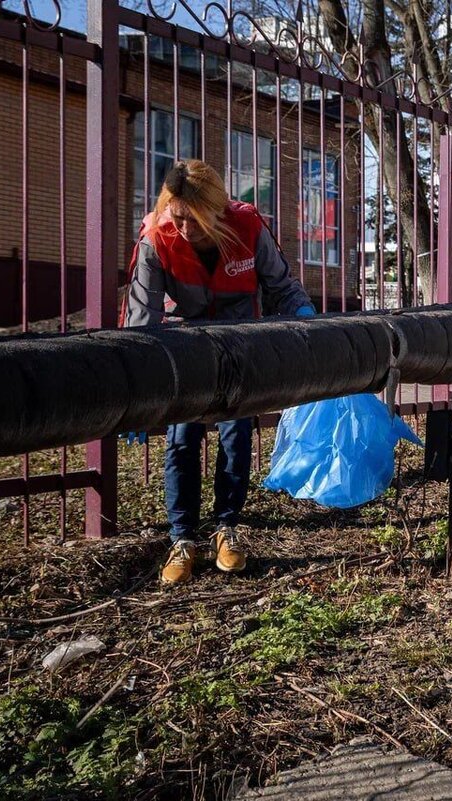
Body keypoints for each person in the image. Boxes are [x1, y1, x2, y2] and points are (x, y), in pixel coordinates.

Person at [124, 159, 315, 585]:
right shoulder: (157, 237)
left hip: (238, 346)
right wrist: (138, 387)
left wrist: (303, 314)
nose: (187, 229)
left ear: (216, 210)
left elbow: (281, 285)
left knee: (236, 433)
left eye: (196, 220)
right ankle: (183, 537)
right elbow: (142, 315)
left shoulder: (247, 227)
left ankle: (226, 527)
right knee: (182, 438)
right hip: (185, 347)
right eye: (179, 218)